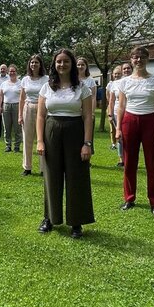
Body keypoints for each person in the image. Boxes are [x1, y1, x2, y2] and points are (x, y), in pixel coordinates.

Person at [36, 49, 94, 238]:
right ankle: (49, 218)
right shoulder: (47, 87)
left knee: (76, 176)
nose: (62, 65)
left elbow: (87, 116)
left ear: (72, 64)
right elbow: (41, 115)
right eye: (59, 62)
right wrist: (39, 141)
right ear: (54, 64)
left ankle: (76, 222)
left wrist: (87, 143)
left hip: (75, 131)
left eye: (66, 62)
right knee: (51, 176)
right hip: (52, 131)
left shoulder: (82, 88)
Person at [116, 47, 154, 215]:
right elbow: (121, 106)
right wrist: (118, 128)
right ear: (131, 60)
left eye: (142, 57)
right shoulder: (124, 82)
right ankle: (129, 198)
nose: (139, 60)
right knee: (129, 162)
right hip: (129, 121)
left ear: (147, 59)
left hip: (150, 120)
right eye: (135, 57)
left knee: (152, 163)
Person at [18, 54, 48, 176]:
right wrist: (20, 115)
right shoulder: (25, 79)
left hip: (43, 109)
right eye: (32, 62)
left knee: (43, 139)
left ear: (40, 64)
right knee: (27, 138)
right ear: (29, 65)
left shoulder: (46, 79)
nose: (34, 64)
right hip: (28, 108)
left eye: (36, 62)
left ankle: (43, 168)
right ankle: (27, 167)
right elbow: (21, 98)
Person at [107, 64, 130, 167]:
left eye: (128, 68)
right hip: (117, 113)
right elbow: (111, 101)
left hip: (131, 112)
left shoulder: (133, 82)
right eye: (124, 69)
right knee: (120, 137)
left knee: (130, 137)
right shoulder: (114, 84)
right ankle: (121, 159)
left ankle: (130, 158)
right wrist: (110, 114)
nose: (126, 70)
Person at [0, 64, 22, 153]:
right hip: (6, 106)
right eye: (10, 71)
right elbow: (0, 95)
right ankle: (8, 145)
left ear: (16, 72)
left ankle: (17, 146)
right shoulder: (4, 84)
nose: (12, 73)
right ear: (8, 72)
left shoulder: (21, 83)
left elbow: (23, 97)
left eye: (13, 71)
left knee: (17, 128)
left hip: (17, 106)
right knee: (6, 128)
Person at [77, 57, 97, 155]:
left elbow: (93, 97)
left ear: (86, 67)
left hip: (87, 112)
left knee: (88, 135)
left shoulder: (91, 80)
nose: (80, 67)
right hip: (76, 111)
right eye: (78, 64)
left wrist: (92, 113)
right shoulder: (73, 79)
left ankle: (88, 156)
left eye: (82, 65)